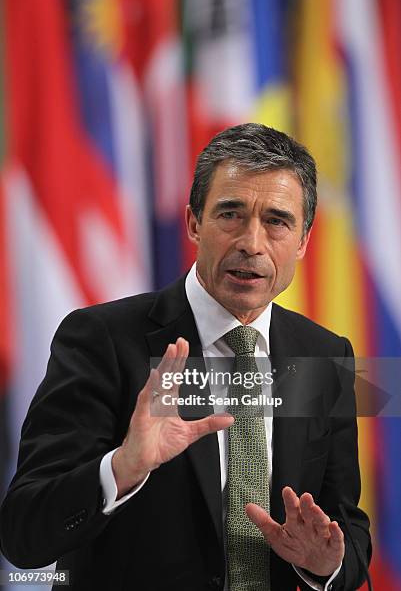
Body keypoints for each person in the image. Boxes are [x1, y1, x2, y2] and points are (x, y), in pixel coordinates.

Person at [0, 124, 371, 590]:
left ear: (302, 241)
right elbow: (21, 533)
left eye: (277, 221)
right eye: (230, 215)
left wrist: (326, 564)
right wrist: (122, 468)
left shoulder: (326, 355)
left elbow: (348, 530)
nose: (252, 243)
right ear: (194, 223)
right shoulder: (103, 340)